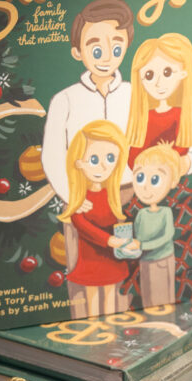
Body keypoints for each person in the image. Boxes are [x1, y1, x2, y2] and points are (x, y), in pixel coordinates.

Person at [41, 0, 135, 203]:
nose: (107, 58)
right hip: (83, 194)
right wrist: (70, 196)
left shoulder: (135, 94)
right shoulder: (65, 100)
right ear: (77, 52)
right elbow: (52, 155)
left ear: (126, 46)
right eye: (97, 51)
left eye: (116, 49)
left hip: (130, 191)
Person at [57, 120, 131, 317]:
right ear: (79, 162)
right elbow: (81, 225)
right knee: (93, 300)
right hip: (91, 257)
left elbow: (116, 221)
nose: (103, 166)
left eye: (110, 158)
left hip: (111, 257)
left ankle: (110, 327)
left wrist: (124, 239)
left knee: (110, 296)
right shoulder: (81, 199)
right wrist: (109, 240)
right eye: (94, 159)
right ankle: (95, 327)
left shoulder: (111, 194)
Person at [125, 34, 192, 171]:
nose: (158, 83)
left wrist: (179, 163)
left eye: (167, 72)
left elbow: (185, 153)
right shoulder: (144, 118)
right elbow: (133, 159)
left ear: (183, 74)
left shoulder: (182, 116)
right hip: (143, 179)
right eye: (149, 75)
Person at [127, 143, 183, 307]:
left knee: (164, 296)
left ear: (173, 181)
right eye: (140, 178)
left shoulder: (165, 213)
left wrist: (142, 245)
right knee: (148, 296)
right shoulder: (141, 214)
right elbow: (138, 236)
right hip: (145, 262)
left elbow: (167, 237)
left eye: (155, 180)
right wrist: (130, 246)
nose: (145, 187)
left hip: (163, 260)